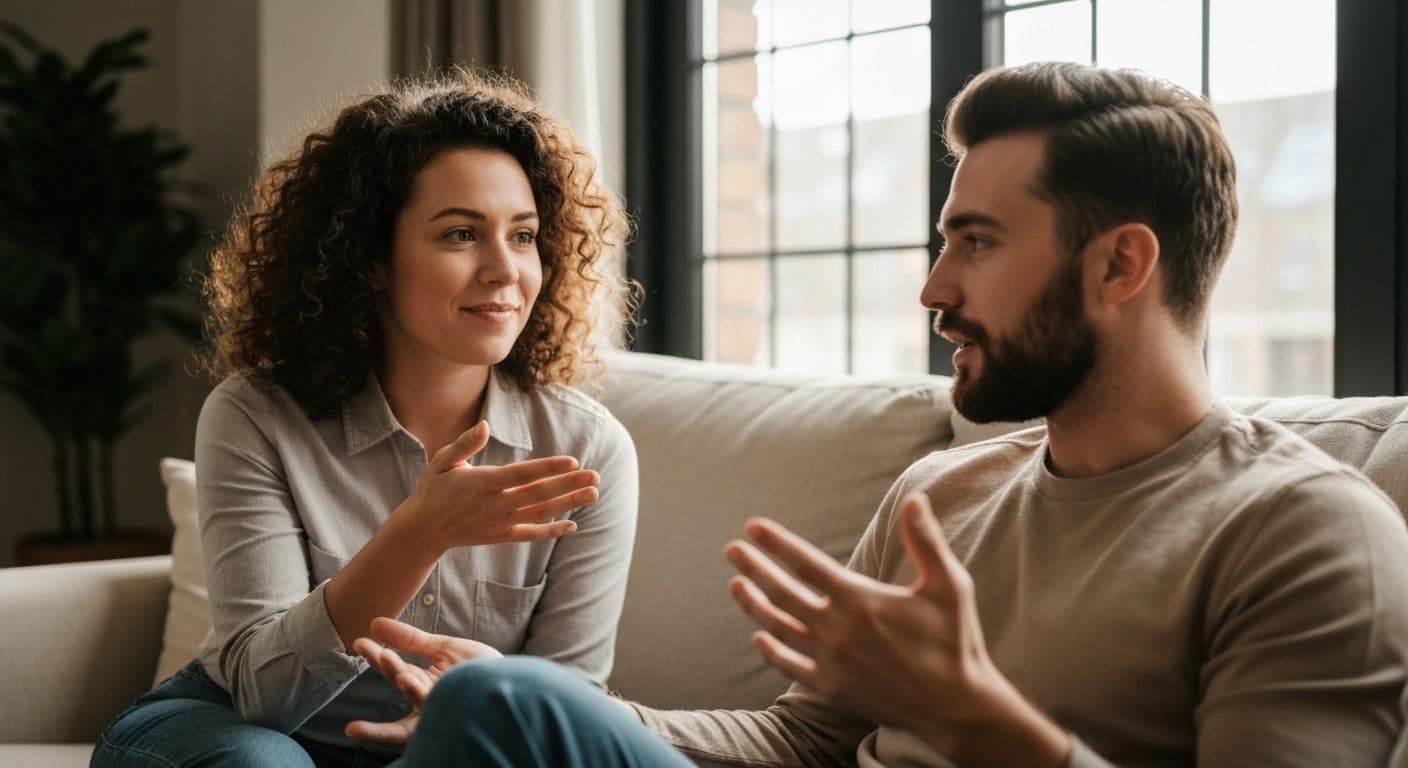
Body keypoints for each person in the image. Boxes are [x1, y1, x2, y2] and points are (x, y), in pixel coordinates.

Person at [349, 61, 1408, 767]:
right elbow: (801, 742)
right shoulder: (946, 491)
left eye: (978, 243)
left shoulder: (1305, 530)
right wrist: (558, 709)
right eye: (944, 242)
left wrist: (972, 716)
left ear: (1120, 263)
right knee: (498, 706)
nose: (934, 288)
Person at [91, 69, 640, 768]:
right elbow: (264, 695)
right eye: (461, 234)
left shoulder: (588, 449)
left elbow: (566, 708)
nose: (506, 269)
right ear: (371, 259)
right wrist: (415, 536)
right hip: (231, 725)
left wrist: (470, 716)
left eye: (525, 235)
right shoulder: (256, 413)